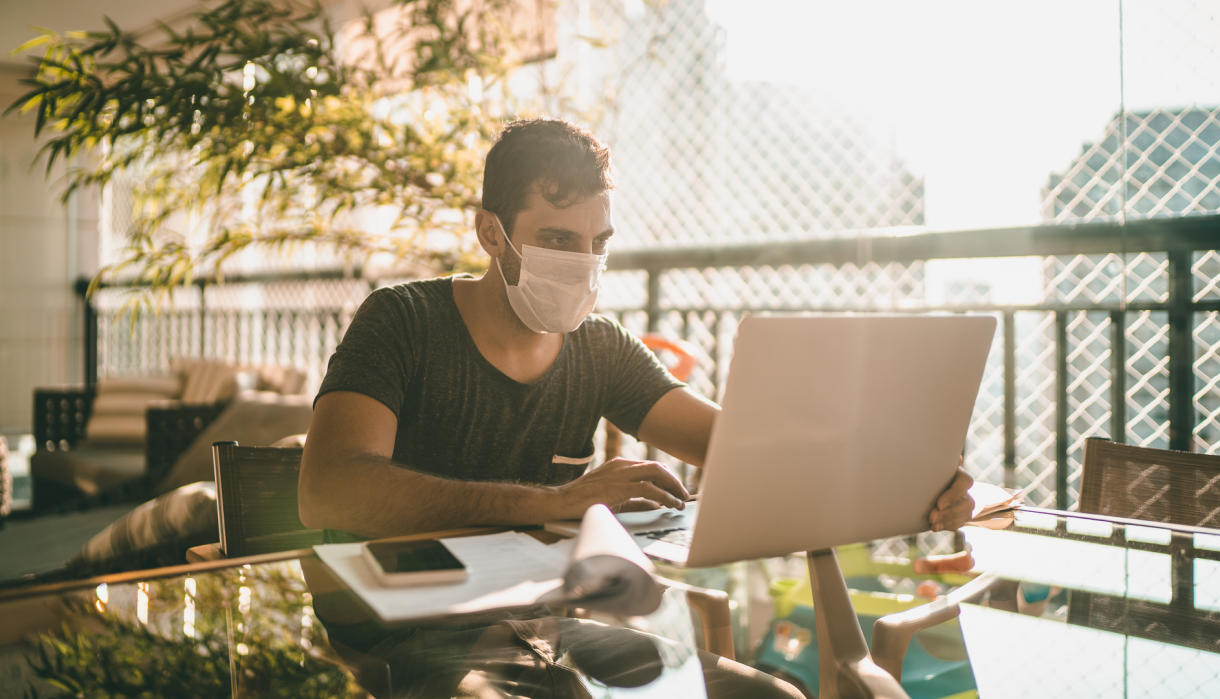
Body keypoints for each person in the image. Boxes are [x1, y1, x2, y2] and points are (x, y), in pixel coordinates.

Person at [298, 117, 974, 697]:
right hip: (399, 628)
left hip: (537, 624)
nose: (584, 264)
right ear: (490, 233)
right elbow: (329, 491)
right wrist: (554, 499)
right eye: (559, 240)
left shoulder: (599, 349)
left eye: (599, 243)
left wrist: (920, 474)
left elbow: (741, 445)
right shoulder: (402, 321)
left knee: (776, 694)